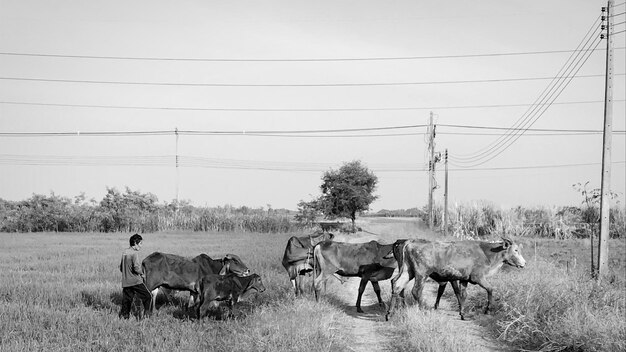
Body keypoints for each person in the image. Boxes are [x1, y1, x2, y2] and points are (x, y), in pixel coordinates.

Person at [119, 233, 151, 319]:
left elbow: (121, 268)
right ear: (135, 243)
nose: (141, 246)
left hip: (126, 281)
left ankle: (124, 318)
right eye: (140, 243)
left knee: (127, 301)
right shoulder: (134, 254)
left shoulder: (124, 253)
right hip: (135, 281)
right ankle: (146, 316)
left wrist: (127, 273)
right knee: (148, 296)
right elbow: (136, 268)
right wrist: (142, 274)